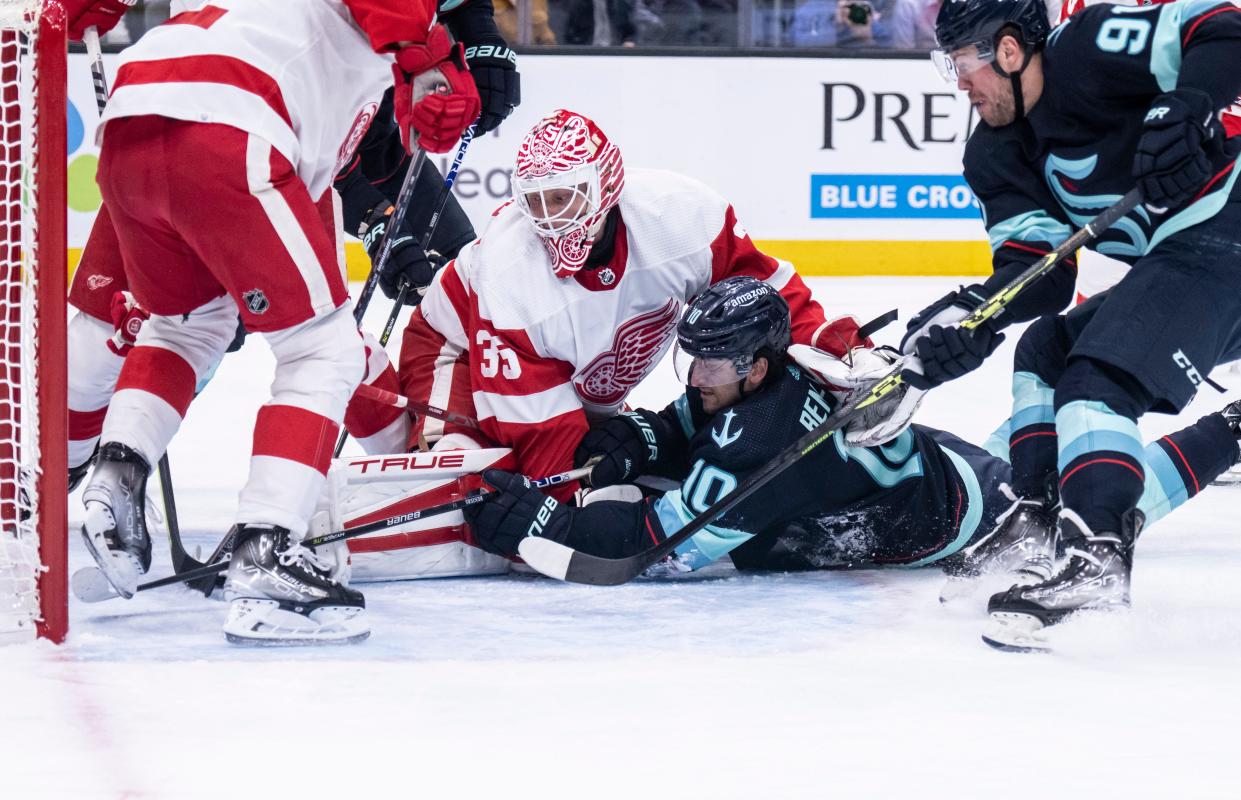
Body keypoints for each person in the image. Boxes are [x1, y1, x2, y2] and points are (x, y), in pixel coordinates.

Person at [76, 0, 481, 646]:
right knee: (325, 353)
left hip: (134, 125)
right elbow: (395, 17)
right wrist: (438, 55)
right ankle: (267, 551)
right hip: (230, 119)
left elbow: (399, 82)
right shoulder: (388, 23)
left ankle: (117, 476)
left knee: (185, 325)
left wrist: (432, 72)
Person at [461, 277, 1241, 600]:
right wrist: (632, 441)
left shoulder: (761, 439)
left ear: (757, 365)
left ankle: (1231, 428)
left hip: (978, 528)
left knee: (1103, 500)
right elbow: (677, 426)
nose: (696, 374)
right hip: (948, 472)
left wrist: (545, 527)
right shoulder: (752, 378)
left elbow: (655, 551)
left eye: (713, 363)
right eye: (691, 358)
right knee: (1047, 404)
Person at [379, 109, 872, 581]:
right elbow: (540, 432)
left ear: (605, 185)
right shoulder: (513, 273)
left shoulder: (677, 216)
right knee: (490, 483)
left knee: (612, 484)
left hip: (577, 382)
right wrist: (560, 518)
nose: (550, 220)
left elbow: (766, 300)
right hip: (457, 354)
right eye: (537, 201)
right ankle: (412, 436)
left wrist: (846, 355)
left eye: (564, 198)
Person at [898, 0, 1241, 647]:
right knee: (1046, 350)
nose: (959, 84)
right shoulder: (995, 154)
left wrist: (1188, 101)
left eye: (962, 63)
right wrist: (972, 322)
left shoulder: (1084, 51)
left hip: (1227, 225)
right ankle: (1035, 516)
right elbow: (1039, 272)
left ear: (1006, 49)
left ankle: (1096, 557)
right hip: (1187, 254)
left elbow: (1221, 29)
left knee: (1097, 378)